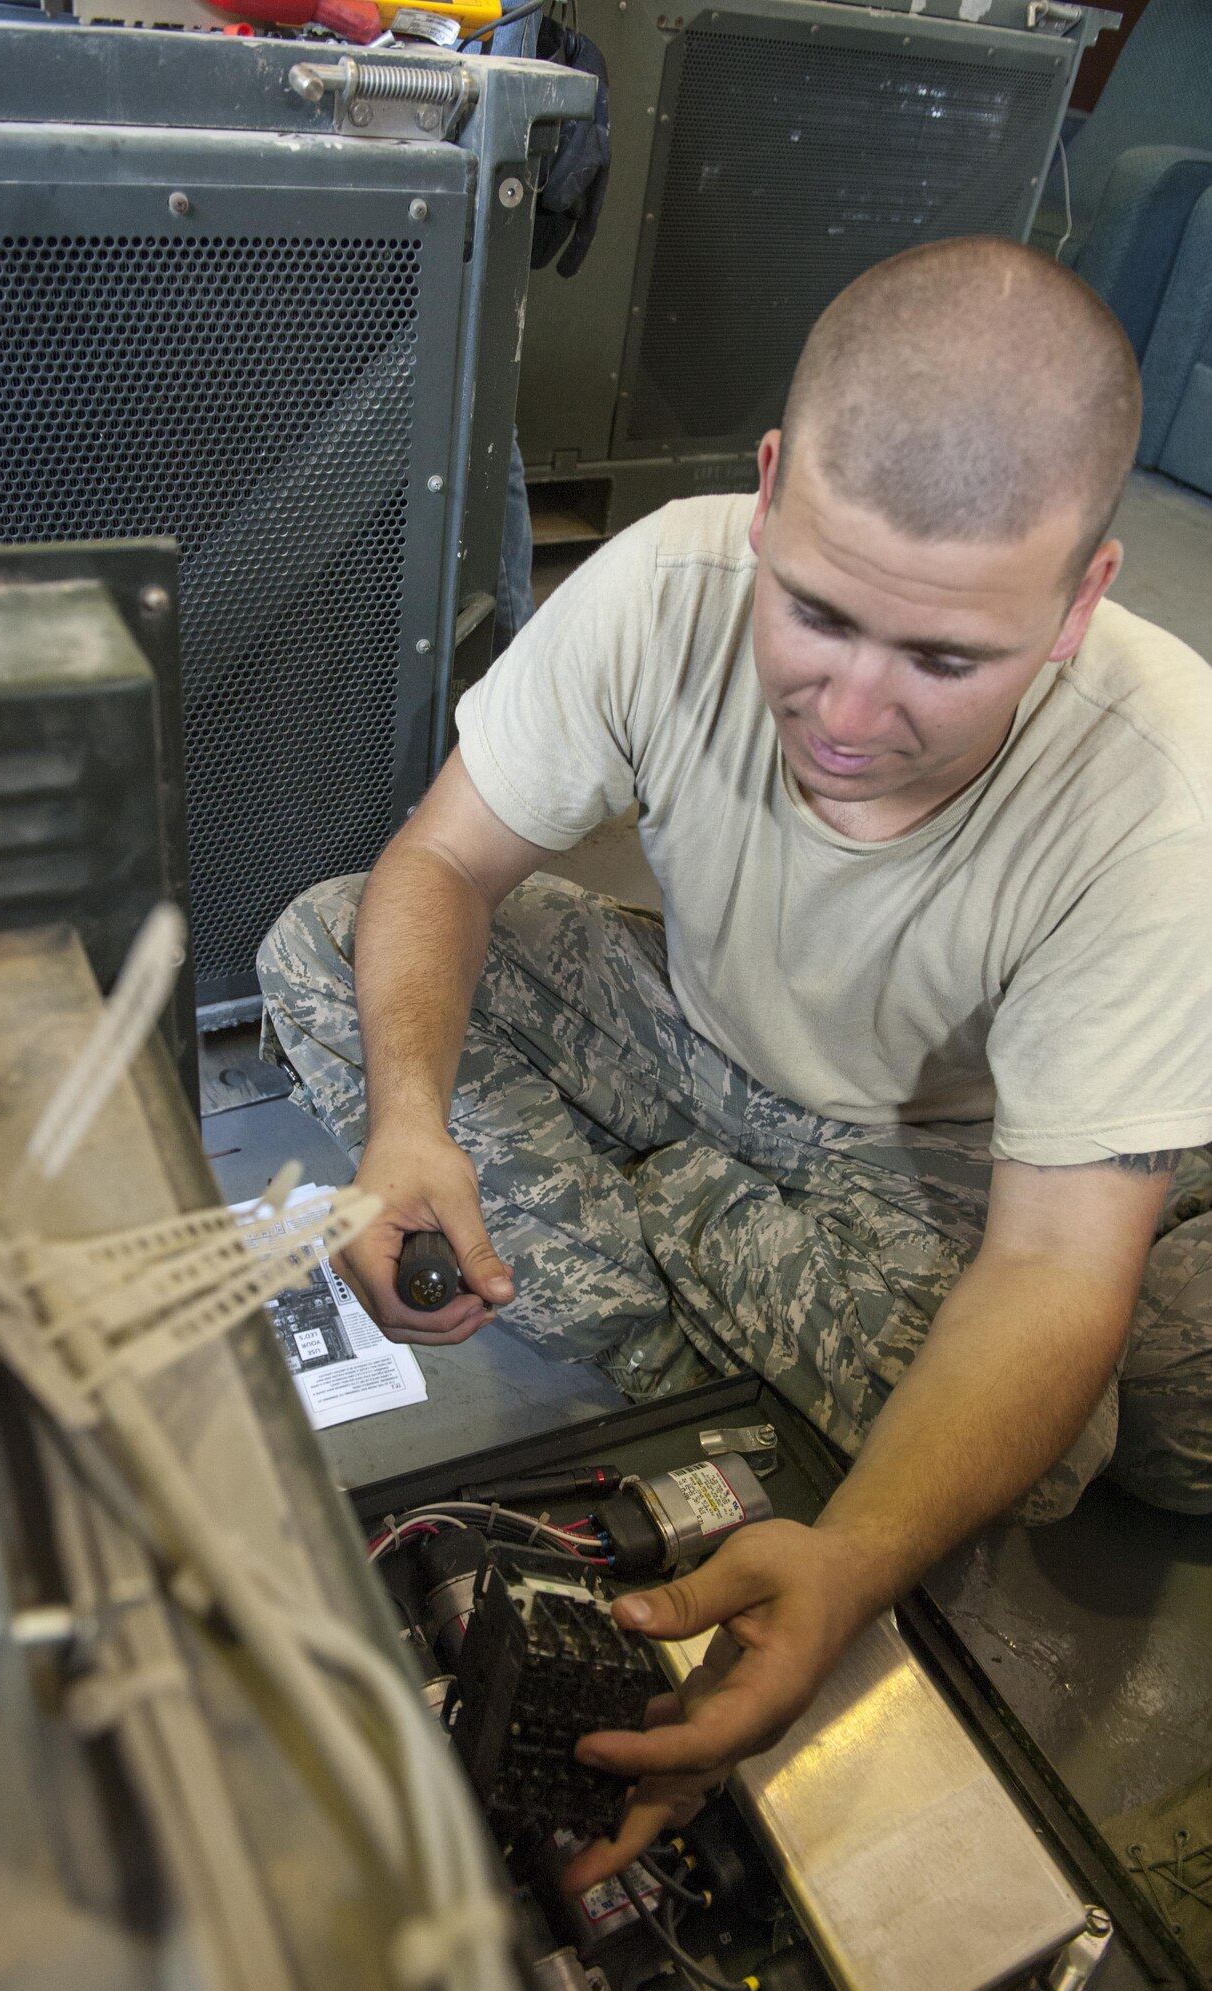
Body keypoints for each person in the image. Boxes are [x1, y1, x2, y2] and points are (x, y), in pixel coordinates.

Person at [259, 238, 1212, 1892]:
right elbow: (440, 871)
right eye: (819, 612)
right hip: (697, 1040)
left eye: (945, 660)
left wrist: (844, 1566)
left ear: (1082, 601)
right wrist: (410, 1122)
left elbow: (1055, 1266)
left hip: (959, 1150)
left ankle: (692, 1227)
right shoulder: (666, 582)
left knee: (1084, 1435)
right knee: (317, 949)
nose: (849, 709)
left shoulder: (1160, 796)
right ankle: (725, 1260)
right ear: (768, 497)